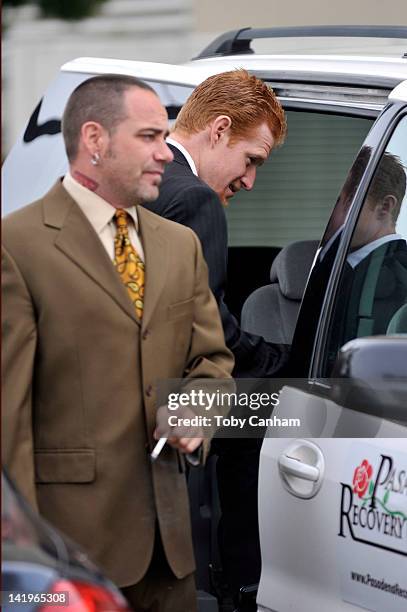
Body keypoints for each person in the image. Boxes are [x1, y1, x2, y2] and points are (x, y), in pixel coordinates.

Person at [2, 74, 234, 612]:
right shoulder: (17, 246)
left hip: (170, 554)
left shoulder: (180, 245)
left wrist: (196, 410)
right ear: (95, 140)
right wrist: (25, 561)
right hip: (69, 554)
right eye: (150, 137)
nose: (165, 154)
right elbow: (7, 416)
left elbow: (212, 360)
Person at [142, 69, 287, 603]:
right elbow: (209, 331)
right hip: (170, 408)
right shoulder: (195, 200)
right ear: (220, 129)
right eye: (252, 161)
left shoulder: (141, 180)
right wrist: (283, 364)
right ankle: (244, 584)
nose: (250, 182)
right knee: (276, 414)